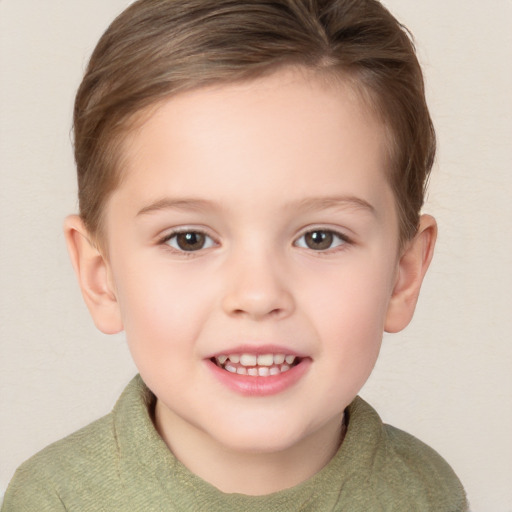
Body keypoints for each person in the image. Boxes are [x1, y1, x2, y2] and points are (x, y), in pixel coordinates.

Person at [1, 0, 468, 510]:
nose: (258, 294)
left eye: (320, 238)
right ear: (101, 276)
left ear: (404, 275)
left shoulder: (426, 492)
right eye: (189, 239)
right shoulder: (53, 500)